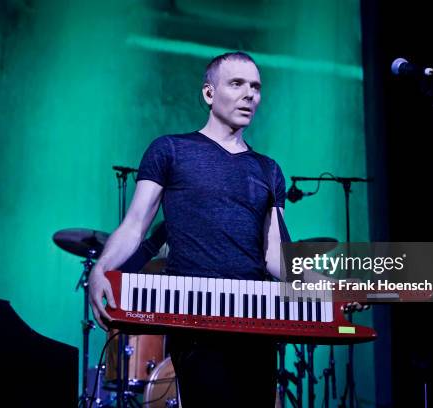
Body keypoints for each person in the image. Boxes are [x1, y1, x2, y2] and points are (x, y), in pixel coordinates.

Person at [89, 51, 287, 407]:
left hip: (256, 320)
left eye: (256, 87)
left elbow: (277, 257)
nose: (249, 95)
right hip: (194, 314)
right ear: (209, 94)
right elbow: (135, 225)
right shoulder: (170, 150)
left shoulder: (268, 169)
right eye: (237, 84)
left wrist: (328, 285)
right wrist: (101, 269)